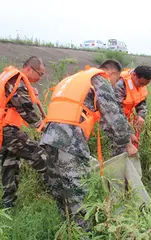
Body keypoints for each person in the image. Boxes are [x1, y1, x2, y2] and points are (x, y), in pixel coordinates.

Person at [39, 59, 138, 227]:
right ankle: (83, 233)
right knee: (77, 191)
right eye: (114, 81)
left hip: (48, 138)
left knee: (60, 190)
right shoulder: (100, 79)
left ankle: (68, 230)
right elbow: (112, 115)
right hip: (69, 140)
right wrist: (127, 143)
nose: (113, 85)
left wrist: (128, 134)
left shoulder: (75, 79)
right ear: (112, 73)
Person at [0, 56, 48, 209]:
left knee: (9, 165)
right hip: (6, 130)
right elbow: (26, 109)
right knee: (40, 156)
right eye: (39, 74)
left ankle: (8, 206)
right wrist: (42, 127)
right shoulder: (16, 80)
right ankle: (61, 193)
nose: (40, 78)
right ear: (29, 69)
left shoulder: (10, 77)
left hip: (4, 129)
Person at [112, 66, 151, 154]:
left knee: (127, 146)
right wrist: (130, 133)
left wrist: (141, 116)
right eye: (141, 83)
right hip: (111, 117)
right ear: (134, 75)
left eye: (145, 85)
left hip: (123, 118)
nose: (142, 86)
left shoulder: (141, 84)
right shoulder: (120, 85)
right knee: (122, 145)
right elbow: (117, 112)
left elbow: (142, 103)